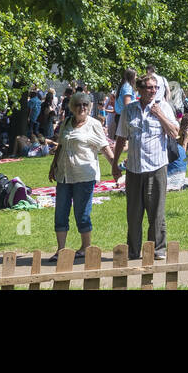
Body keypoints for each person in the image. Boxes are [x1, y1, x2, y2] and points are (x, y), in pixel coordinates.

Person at [112, 74, 179, 261]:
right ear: (139, 90)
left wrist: (160, 115)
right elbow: (121, 137)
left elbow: (175, 133)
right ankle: (133, 251)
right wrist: (115, 163)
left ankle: (157, 249)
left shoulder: (163, 107)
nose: (153, 91)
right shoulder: (129, 109)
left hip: (157, 166)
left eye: (155, 88)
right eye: (149, 88)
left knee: (156, 211)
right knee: (133, 213)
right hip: (134, 167)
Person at [47, 92, 117, 262]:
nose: (82, 108)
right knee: (60, 212)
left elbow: (105, 147)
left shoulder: (93, 125)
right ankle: (61, 250)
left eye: (85, 105)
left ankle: (85, 247)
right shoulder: (66, 123)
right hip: (64, 174)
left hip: (84, 175)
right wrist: (53, 166)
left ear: (89, 107)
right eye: (78, 105)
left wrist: (115, 167)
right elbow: (61, 146)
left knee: (82, 213)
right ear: (72, 107)